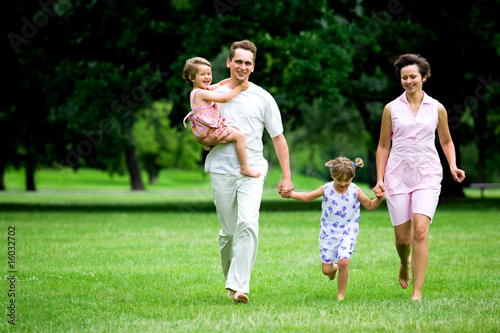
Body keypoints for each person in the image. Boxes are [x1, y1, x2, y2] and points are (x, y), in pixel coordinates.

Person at [195, 40, 293, 303]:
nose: (242, 66)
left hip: (253, 172)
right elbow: (200, 132)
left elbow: (278, 138)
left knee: (247, 224)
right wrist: (208, 141)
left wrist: (286, 176)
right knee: (229, 232)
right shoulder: (212, 93)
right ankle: (232, 281)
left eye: (248, 62)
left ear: (253, 67)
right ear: (228, 63)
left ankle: (239, 287)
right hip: (221, 170)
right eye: (238, 61)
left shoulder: (263, 98)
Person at [375, 54, 466, 301]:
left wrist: (453, 166)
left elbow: (446, 140)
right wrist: (380, 178)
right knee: (403, 240)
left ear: (423, 77)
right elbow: (383, 145)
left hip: (427, 173)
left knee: (420, 232)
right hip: (397, 177)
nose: (408, 81)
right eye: (404, 77)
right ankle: (404, 262)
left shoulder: (437, 108)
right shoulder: (391, 109)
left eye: (413, 76)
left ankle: (417, 291)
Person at [285, 157, 384, 300]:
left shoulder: (355, 190)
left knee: (344, 261)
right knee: (326, 270)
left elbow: (369, 205)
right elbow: (307, 196)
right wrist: (291, 194)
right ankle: (334, 267)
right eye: (339, 180)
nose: (343, 184)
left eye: (347, 181)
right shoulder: (327, 189)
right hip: (328, 233)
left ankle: (340, 295)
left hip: (348, 233)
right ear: (333, 176)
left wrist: (379, 199)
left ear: (352, 177)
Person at [182, 57, 261, 178]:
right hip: (210, 129)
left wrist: (235, 79)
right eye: (202, 74)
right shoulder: (201, 93)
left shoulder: (202, 90)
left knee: (233, 133)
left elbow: (219, 84)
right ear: (192, 78)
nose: (207, 77)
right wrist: (239, 88)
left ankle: (210, 144)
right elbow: (224, 99)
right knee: (239, 136)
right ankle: (245, 167)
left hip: (206, 128)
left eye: (209, 73)